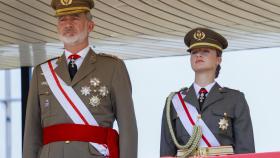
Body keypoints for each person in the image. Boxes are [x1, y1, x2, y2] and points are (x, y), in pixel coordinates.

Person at [23, 0, 138, 158]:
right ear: (57, 27)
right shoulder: (41, 72)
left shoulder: (113, 68)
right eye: (62, 19)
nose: (68, 24)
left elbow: (128, 128)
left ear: (90, 26)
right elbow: (31, 134)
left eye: (75, 18)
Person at [160, 28, 255, 157]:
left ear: (218, 59)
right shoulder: (174, 101)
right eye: (194, 52)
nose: (198, 55)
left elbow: (246, 151)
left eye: (205, 51)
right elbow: (166, 152)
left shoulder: (235, 99)